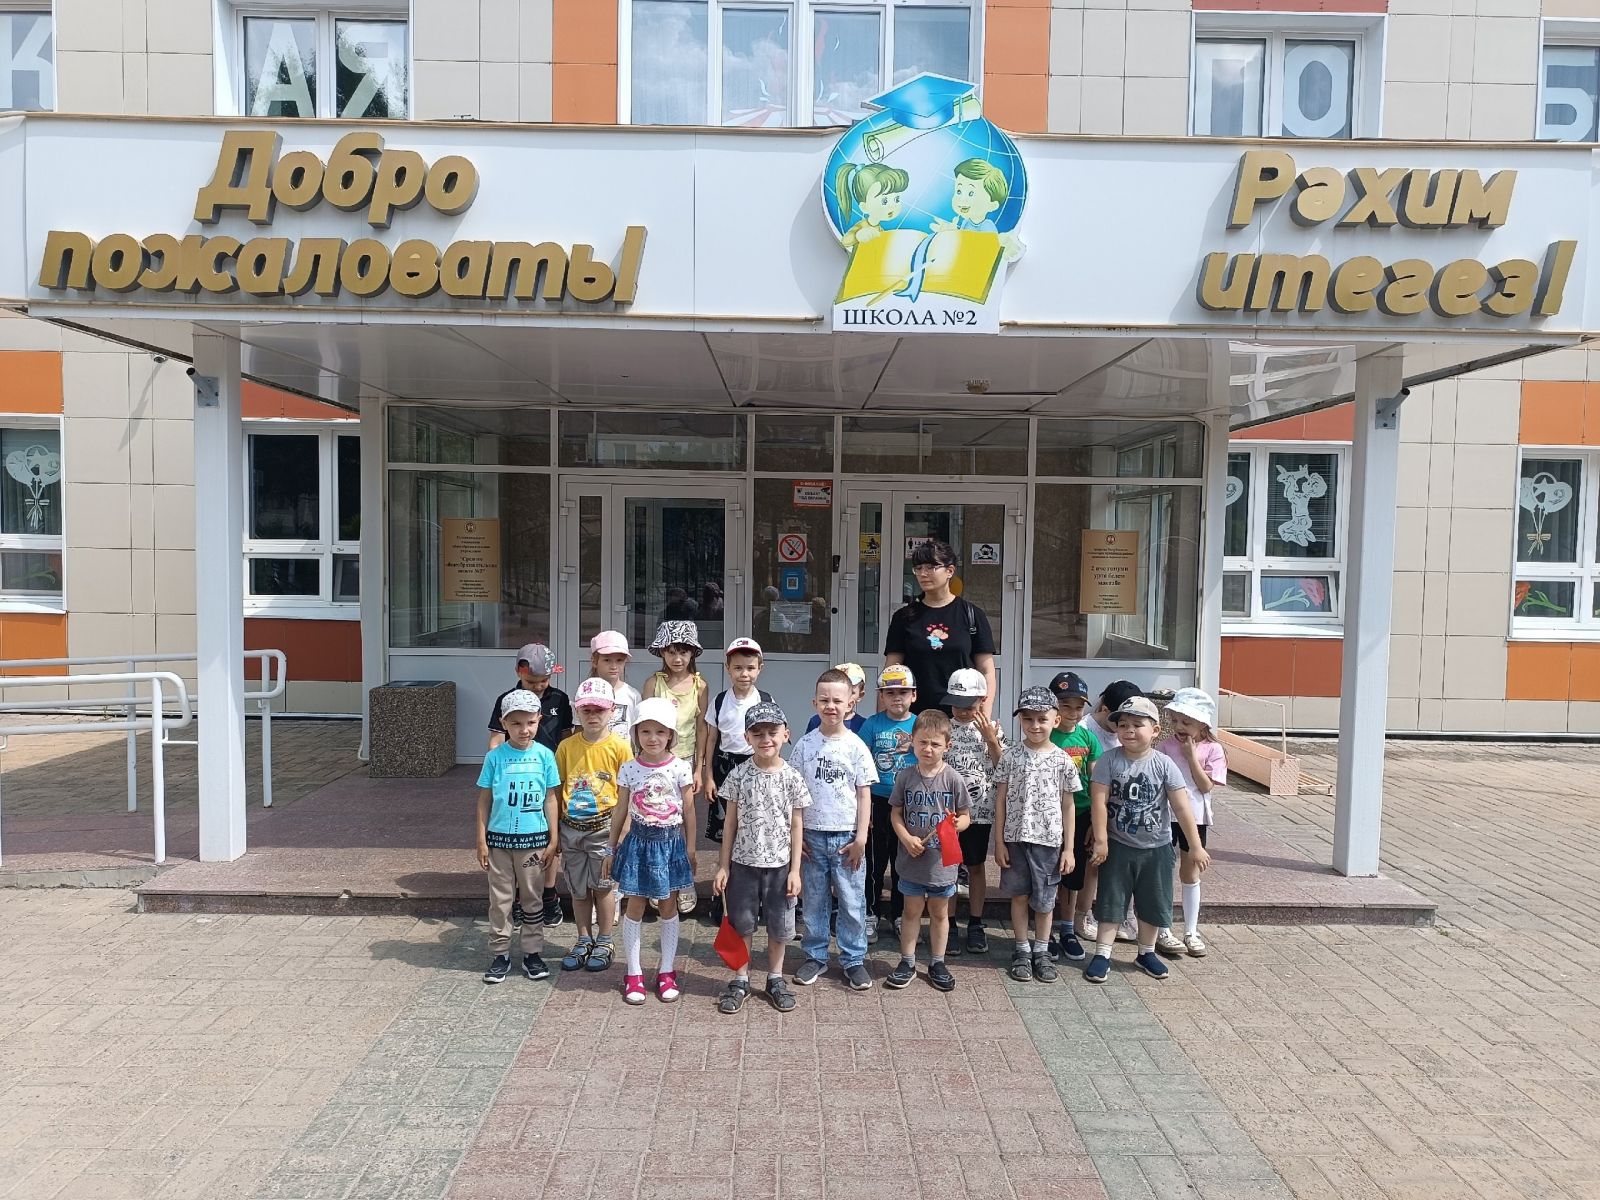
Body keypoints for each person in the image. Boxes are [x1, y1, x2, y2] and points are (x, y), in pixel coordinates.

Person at [1085, 697, 1210, 983]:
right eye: (1123, 725)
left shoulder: (1164, 764)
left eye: (1137, 724)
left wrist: (1195, 846)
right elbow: (1099, 802)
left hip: (1157, 848)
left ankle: (1146, 952)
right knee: (1111, 900)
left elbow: (1182, 808)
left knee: (1152, 902)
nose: (1129, 730)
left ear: (1155, 731)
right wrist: (1101, 840)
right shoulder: (1109, 760)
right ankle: (1102, 953)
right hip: (1118, 846)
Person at [712, 701, 809, 1014]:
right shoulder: (739, 775)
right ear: (747, 738)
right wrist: (723, 866)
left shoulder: (792, 777)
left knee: (780, 926)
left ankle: (775, 977)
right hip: (743, 865)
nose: (766, 739)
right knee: (742, 924)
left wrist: (795, 870)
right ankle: (740, 978)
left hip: (780, 867)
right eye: (758, 733)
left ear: (785, 735)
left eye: (772, 732)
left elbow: (796, 825)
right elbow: (730, 823)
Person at [790, 669, 878, 991]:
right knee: (814, 900)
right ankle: (815, 955)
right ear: (814, 703)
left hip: (847, 839)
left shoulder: (856, 746)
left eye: (837, 700)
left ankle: (853, 959)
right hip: (812, 836)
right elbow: (795, 793)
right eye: (824, 700)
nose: (831, 706)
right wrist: (796, 836)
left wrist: (861, 838)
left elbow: (864, 794)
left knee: (852, 902)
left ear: (850, 703)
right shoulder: (804, 745)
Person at [610, 697, 698, 1004]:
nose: (653, 738)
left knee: (668, 906)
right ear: (635, 733)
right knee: (635, 905)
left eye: (660, 732)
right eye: (645, 731)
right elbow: (620, 809)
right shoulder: (629, 768)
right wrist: (611, 847)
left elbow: (689, 810)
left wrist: (690, 848)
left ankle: (666, 970)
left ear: (671, 735)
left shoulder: (680, 767)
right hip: (638, 844)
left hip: (670, 844)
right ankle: (633, 973)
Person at [993, 686, 1079, 984]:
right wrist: (999, 842)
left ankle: (1041, 950)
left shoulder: (1063, 760)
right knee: (1019, 895)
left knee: (1044, 901)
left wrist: (1069, 848)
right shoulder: (1010, 756)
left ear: (1056, 720)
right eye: (1028, 719)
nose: (1035, 725)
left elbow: (1068, 805)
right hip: (1016, 839)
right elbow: (1000, 800)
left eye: (1042, 719)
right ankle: (1021, 948)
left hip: (1049, 841)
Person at [475, 691, 560, 985]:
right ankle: (500, 953)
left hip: (533, 842)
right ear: (504, 724)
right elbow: (484, 800)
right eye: (516, 724)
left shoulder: (545, 756)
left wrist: (553, 839)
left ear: (539, 721)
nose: (524, 730)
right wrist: (482, 840)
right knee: (500, 900)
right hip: (499, 842)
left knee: (532, 898)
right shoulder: (494, 758)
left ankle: (532, 953)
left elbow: (550, 798)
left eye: (530, 723)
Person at [487, 642, 574, 931]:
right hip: (515, 777)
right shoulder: (506, 700)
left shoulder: (560, 699)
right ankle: (517, 895)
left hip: (550, 777)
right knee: (517, 835)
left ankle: (548, 893)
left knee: (550, 834)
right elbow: (495, 741)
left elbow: (566, 738)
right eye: (532, 681)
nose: (538, 686)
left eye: (544, 681)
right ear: (518, 673)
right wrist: (496, 772)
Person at [885, 710, 970, 992]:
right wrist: (906, 837)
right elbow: (895, 813)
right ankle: (907, 961)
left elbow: (965, 815)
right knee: (910, 912)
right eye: (922, 742)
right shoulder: (905, 777)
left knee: (939, 913)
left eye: (935, 744)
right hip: (911, 861)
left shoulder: (953, 779)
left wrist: (959, 824)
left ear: (948, 746)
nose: (928, 749)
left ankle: (937, 962)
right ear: (912, 741)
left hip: (941, 864)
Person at [554, 678, 631, 974]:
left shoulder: (620, 747)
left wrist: (623, 832)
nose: (593, 715)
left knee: (603, 886)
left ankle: (605, 939)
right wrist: (555, 830)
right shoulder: (566, 747)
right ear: (577, 711)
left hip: (604, 828)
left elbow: (627, 792)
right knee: (578, 889)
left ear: (612, 710)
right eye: (586, 710)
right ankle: (583, 938)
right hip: (571, 828)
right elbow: (557, 788)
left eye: (599, 709)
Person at [884, 540, 996, 716]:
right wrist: (883, 720)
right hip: (913, 717)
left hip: (962, 716)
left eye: (931, 567)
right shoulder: (904, 617)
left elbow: (986, 671)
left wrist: (984, 716)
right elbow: (891, 672)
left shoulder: (972, 614)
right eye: (918, 568)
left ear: (950, 571)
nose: (923, 573)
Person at [643, 620, 709, 917]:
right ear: (662, 653)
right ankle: (657, 880)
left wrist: (699, 767)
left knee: (683, 821)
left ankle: (684, 881)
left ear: (692, 653)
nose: (677, 658)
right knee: (656, 820)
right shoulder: (653, 683)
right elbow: (644, 724)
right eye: (671, 651)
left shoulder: (700, 685)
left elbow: (701, 727)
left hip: (684, 761)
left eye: (683, 651)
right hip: (655, 761)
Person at [1156, 688, 1226, 959]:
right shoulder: (1165, 747)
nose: (1179, 727)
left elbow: (1206, 786)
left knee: (1190, 872)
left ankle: (1191, 930)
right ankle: (1163, 928)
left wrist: (1191, 757)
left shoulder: (1214, 749)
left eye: (1186, 722)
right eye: (1175, 721)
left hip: (1195, 817)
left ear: (1202, 724)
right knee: (1162, 871)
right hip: (1165, 815)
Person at [943, 668, 1004, 955]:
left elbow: (1003, 767)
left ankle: (976, 923)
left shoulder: (993, 729)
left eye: (968, 705)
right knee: (950, 867)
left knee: (976, 865)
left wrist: (991, 739)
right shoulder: (943, 727)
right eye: (957, 704)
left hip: (979, 811)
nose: (963, 711)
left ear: (982, 700)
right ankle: (949, 923)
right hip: (948, 813)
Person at [857, 665, 918, 943]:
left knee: (902, 862)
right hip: (877, 801)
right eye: (890, 693)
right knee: (874, 862)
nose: (896, 698)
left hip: (908, 804)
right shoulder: (872, 725)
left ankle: (899, 915)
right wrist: (862, 807)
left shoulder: (919, 724)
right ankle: (870, 913)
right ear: (881, 696)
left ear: (913, 695)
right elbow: (860, 764)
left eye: (902, 692)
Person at [700, 637, 774, 851]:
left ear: (760, 668)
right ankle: (726, 864)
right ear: (728, 669)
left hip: (756, 766)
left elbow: (773, 739)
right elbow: (711, 739)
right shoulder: (720, 701)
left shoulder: (765, 701)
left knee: (754, 819)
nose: (744, 674)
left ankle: (751, 862)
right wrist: (708, 777)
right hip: (724, 767)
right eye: (738, 668)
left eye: (750, 668)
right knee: (726, 823)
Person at [1047, 671, 1100, 963]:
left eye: (1078, 707)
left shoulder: (1088, 738)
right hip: (1047, 815)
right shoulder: (1044, 734)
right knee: (1047, 872)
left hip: (1079, 814)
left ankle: (1067, 928)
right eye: (1065, 705)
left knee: (1072, 874)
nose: (1072, 712)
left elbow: (1096, 782)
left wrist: (1095, 821)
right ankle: (1045, 929)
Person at [833, 161, 910, 250]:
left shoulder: (880, 229)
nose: (892, 206)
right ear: (864, 207)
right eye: (884, 201)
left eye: (897, 199)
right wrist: (858, 235)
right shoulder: (862, 225)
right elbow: (845, 240)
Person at [588, 630, 641, 736]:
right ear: (594, 661)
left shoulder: (633, 695)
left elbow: (638, 730)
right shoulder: (586, 692)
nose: (614, 666)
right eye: (607, 660)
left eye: (619, 660)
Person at [804, 662, 868, 734]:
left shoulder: (865, 725)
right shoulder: (815, 721)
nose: (845, 697)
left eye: (851, 693)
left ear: (860, 695)